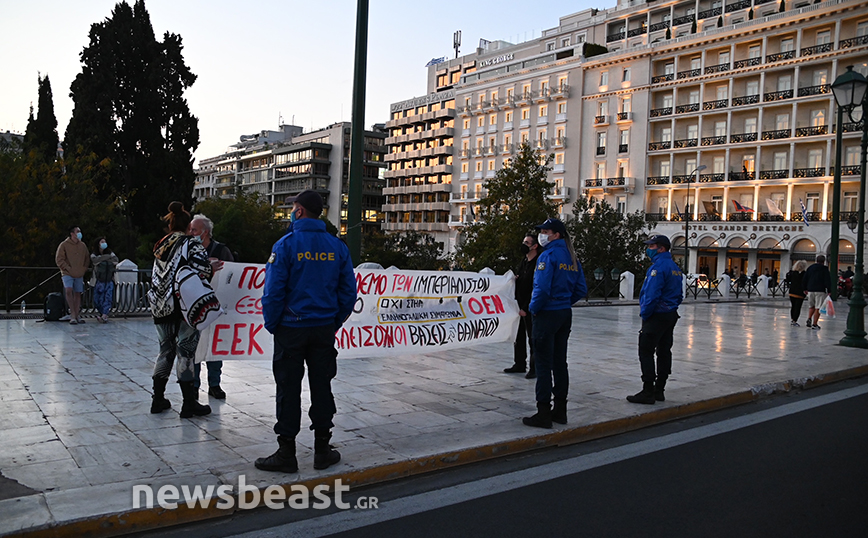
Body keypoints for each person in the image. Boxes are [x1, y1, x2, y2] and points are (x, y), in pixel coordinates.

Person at [256, 190, 356, 473]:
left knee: (288, 388)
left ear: (299, 212)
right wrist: (333, 321)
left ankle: (287, 452)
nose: (292, 212)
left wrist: (273, 323)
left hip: (292, 327)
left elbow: (273, 291)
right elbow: (348, 292)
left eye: (293, 208)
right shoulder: (337, 247)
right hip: (323, 328)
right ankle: (322, 450)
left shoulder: (286, 245)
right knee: (322, 386)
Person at [148, 202, 215, 418]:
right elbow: (203, 270)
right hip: (183, 306)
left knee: (165, 351)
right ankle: (189, 403)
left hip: (160, 305)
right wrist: (211, 267)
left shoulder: (160, 245)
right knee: (185, 352)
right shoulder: (191, 244)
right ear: (188, 227)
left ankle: (157, 399)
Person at [522, 218, 587, 429]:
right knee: (560, 363)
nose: (542, 235)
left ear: (556, 234)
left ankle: (543, 412)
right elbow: (581, 289)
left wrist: (533, 308)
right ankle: (560, 410)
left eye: (546, 231)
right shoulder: (572, 256)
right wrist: (563, 302)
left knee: (543, 364)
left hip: (547, 314)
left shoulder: (547, 256)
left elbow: (541, 288)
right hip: (563, 313)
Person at [627, 235, 683, 405]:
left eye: (652, 246)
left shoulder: (657, 268)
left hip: (656, 315)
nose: (648, 249)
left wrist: (645, 313)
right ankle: (660, 389)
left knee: (646, 350)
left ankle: (647, 390)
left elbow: (651, 295)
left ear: (661, 248)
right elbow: (679, 295)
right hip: (670, 314)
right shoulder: (675, 268)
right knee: (664, 351)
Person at [189, 214, 234, 400]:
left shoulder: (221, 250)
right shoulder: (188, 251)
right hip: (195, 308)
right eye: (190, 230)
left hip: (216, 308)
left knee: (215, 348)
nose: (191, 233)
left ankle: (214, 385)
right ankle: (193, 385)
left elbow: (232, 274)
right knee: (194, 349)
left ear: (205, 232)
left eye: (194, 230)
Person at [504, 234, 540, 378]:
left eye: (527, 242)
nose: (523, 244)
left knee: (533, 338)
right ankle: (519, 363)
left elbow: (535, 287)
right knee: (518, 336)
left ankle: (534, 368)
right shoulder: (524, 261)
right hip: (518, 305)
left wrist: (526, 307)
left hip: (530, 306)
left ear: (534, 246)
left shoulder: (538, 263)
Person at [55, 226, 90, 325]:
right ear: (72, 233)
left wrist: (84, 268)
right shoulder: (64, 245)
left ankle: (77, 314)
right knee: (69, 290)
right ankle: (72, 314)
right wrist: (67, 268)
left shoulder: (83, 245)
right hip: (67, 273)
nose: (79, 233)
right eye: (77, 231)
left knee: (78, 293)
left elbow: (87, 258)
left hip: (79, 273)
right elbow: (59, 259)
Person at [90, 237, 118, 323]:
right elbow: (95, 261)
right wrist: (106, 258)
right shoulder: (94, 254)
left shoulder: (110, 252)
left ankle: (105, 315)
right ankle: (101, 312)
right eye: (102, 241)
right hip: (98, 280)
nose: (104, 243)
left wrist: (103, 258)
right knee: (97, 299)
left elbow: (115, 260)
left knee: (108, 297)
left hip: (109, 280)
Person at [803, 254, 831, 330]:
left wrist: (805, 288)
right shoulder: (824, 269)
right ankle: (815, 324)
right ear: (824, 261)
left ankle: (809, 318)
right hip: (820, 290)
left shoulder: (810, 268)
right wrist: (829, 290)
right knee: (818, 307)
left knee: (811, 306)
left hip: (810, 289)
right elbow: (827, 280)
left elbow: (805, 278)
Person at [785, 260, 807, 327]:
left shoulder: (792, 273)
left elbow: (787, 279)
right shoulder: (804, 274)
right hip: (800, 293)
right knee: (798, 307)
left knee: (793, 306)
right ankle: (794, 320)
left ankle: (792, 319)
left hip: (792, 292)